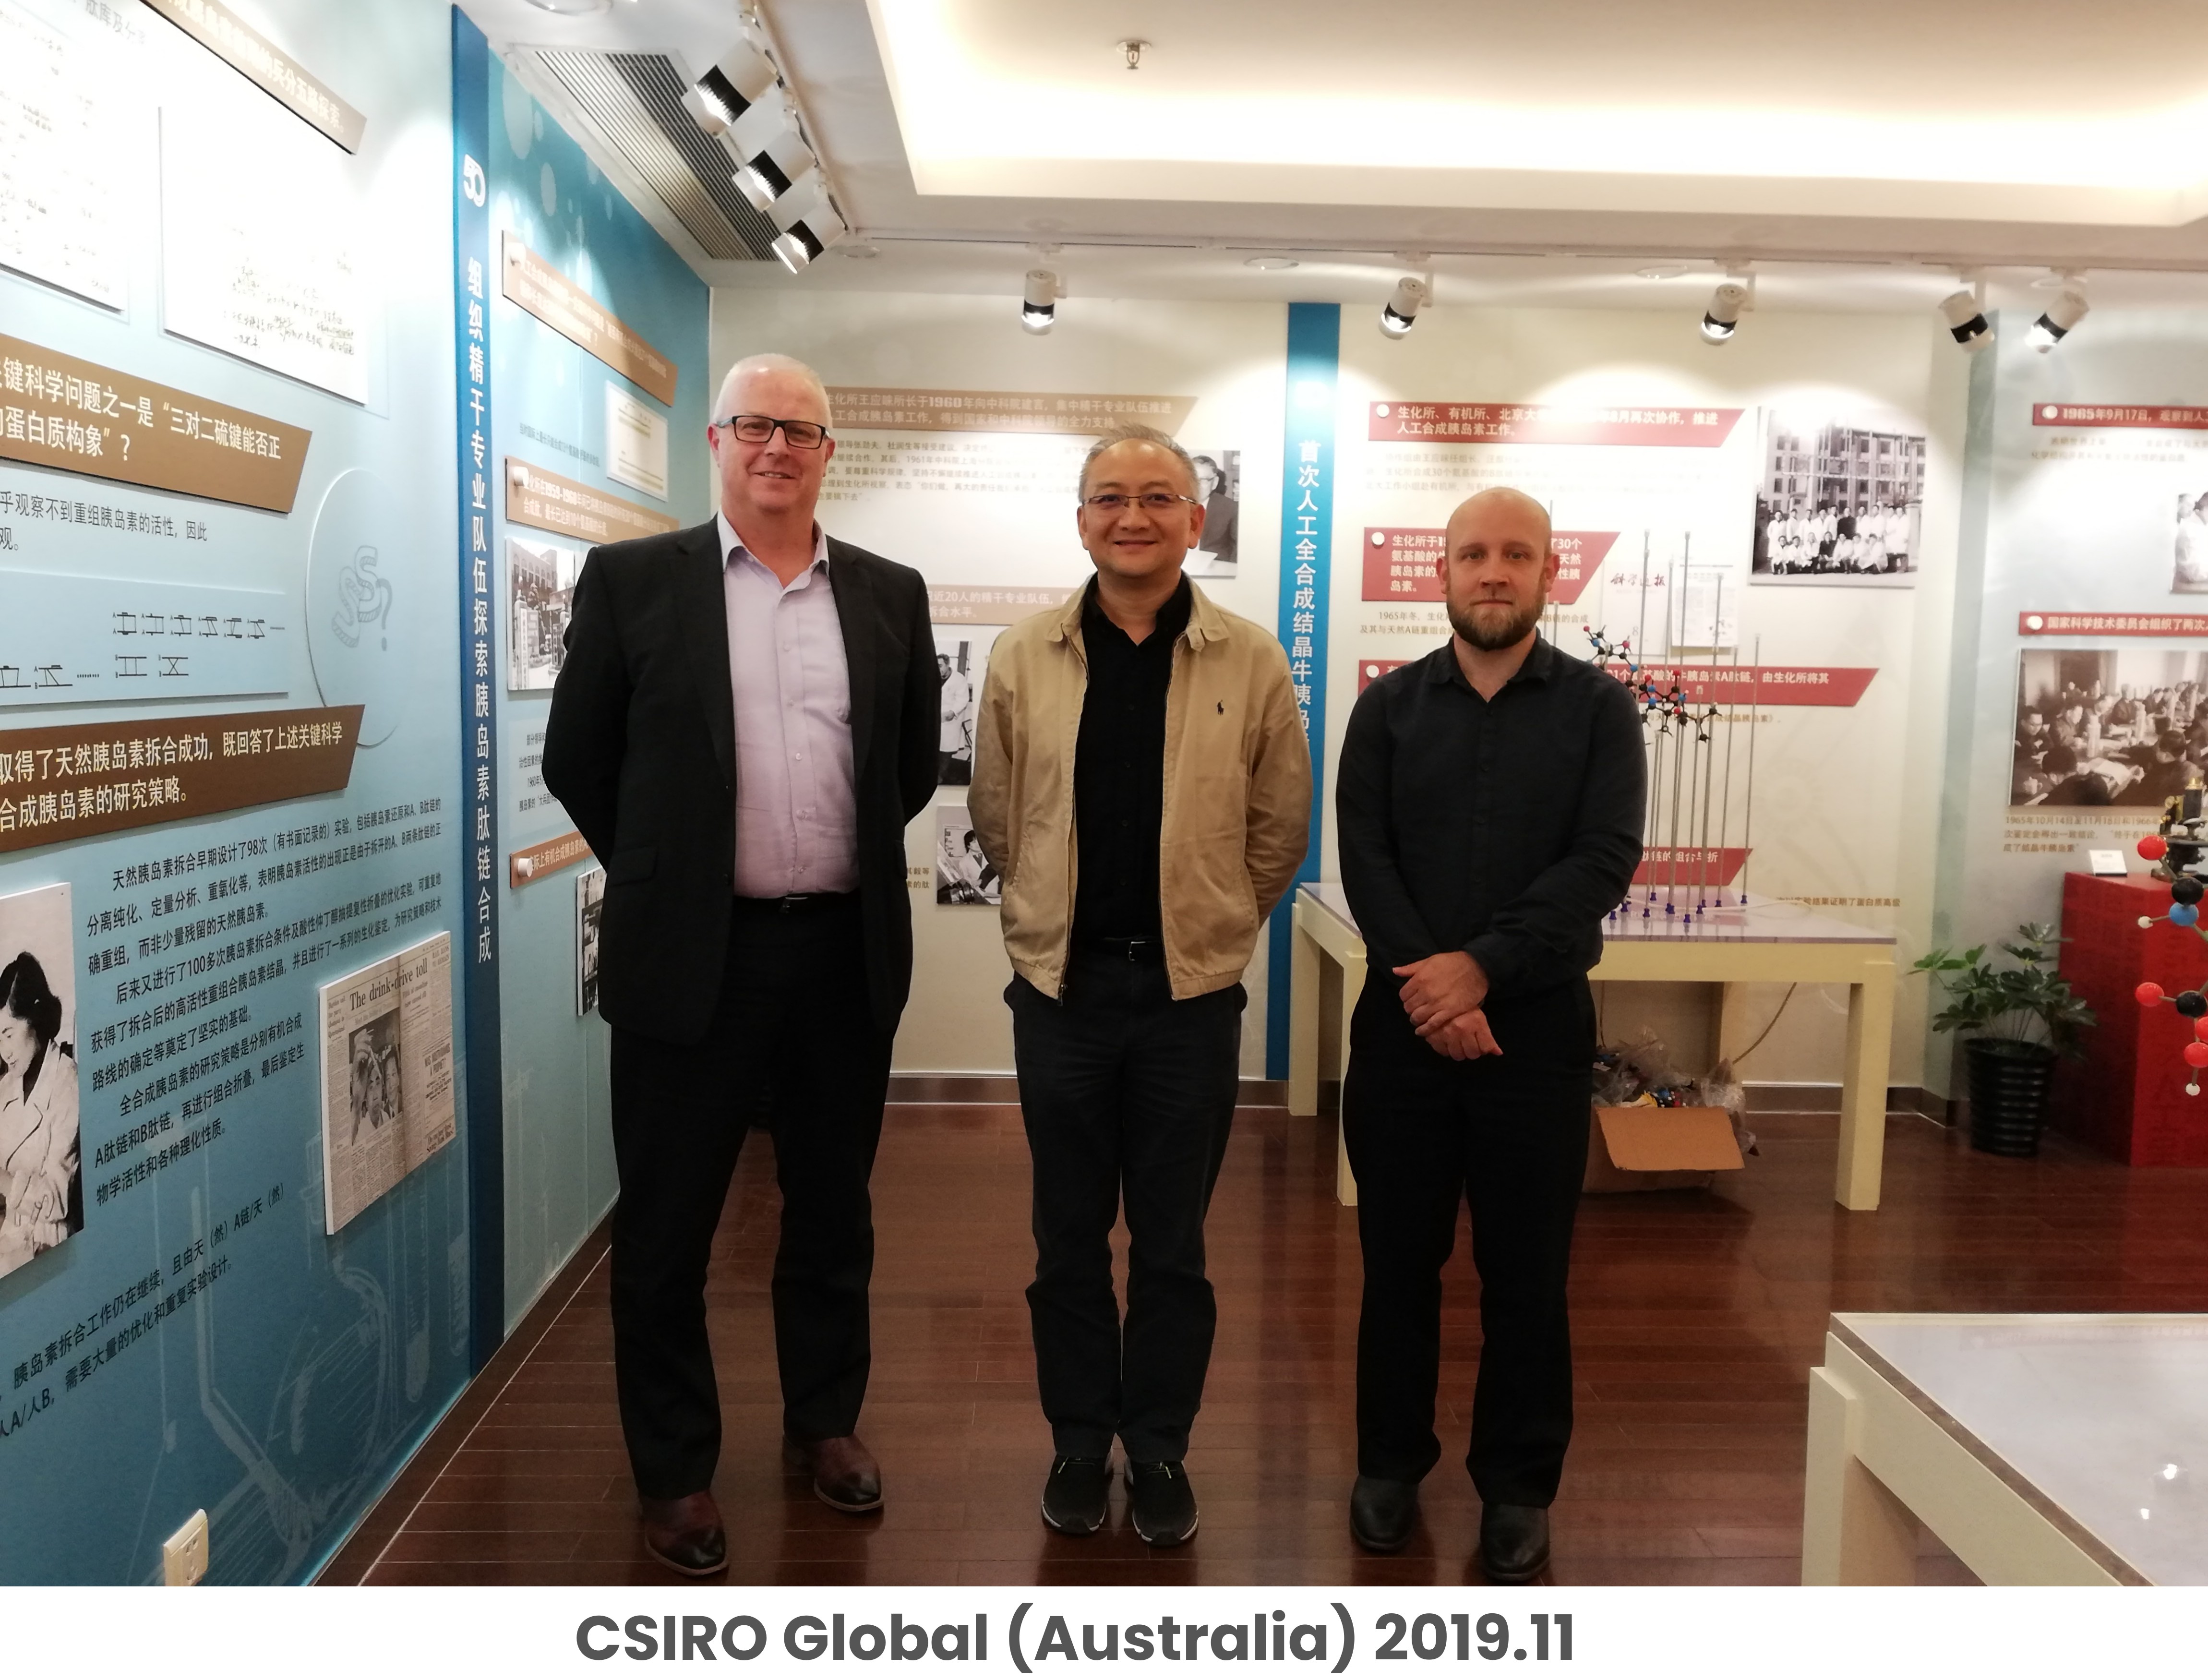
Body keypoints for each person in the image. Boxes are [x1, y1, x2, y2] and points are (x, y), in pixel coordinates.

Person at [543, 353, 940, 1577]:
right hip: (689, 959)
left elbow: (906, 768)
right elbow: (577, 757)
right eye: (754, 425)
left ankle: (824, 1420)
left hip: (839, 954)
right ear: (715, 441)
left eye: (800, 430)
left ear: (828, 453)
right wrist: (667, 873)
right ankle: (674, 1472)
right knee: (668, 1227)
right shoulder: (632, 581)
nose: (777, 446)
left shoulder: (888, 592)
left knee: (832, 1210)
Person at [969, 423, 1309, 1547]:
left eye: (1157, 497)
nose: (1133, 516)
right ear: (1081, 521)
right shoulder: (1023, 655)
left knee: (1172, 1246)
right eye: (1109, 497)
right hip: (1060, 998)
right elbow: (997, 815)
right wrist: (1047, 910)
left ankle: (1159, 1447)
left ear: (1194, 520)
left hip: (1187, 1004)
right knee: (1066, 1239)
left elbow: (1278, 828)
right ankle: (1078, 1440)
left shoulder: (1249, 660)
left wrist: (1214, 923)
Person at [1334, 486, 1644, 1581]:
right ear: (1443, 574)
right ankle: (1389, 1462)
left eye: (1518, 554)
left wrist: (1481, 972)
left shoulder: (1599, 712)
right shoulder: (1386, 710)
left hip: (1538, 1036)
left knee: (1527, 1274)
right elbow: (1366, 859)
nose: (1494, 571)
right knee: (1396, 1264)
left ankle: (1517, 1486)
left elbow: (1602, 860)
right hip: (1401, 1037)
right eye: (1474, 554)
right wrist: (1436, 990)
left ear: (1552, 573)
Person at [0, 951, 81, 1280]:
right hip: (9, 1237)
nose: (4, 1052)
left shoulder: (68, 1082)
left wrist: (4, 1182)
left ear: (34, 1018)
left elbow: (56, 1199)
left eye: (8, 1034)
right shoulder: (7, 1086)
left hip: (49, 1246)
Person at [1188, 454, 1237, 575]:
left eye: (1203, 480)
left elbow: (1239, 551)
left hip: (1216, 571)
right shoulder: (1173, 505)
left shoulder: (1231, 509)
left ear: (1215, 483)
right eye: (1193, 479)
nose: (1197, 486)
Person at [938, 652, 975, 785]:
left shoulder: (959, 679)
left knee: (946, 749)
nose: (938, 669)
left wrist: (953, 712)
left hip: (950, 719)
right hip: (936, 717)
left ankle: (941, 776)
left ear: (948, 664)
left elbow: (963, 699)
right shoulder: (934, 677)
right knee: (934, 748)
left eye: (940, 666)